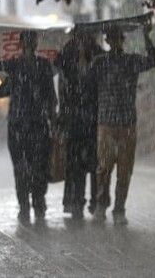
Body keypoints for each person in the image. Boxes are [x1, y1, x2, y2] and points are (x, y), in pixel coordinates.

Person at [88, 23, 155, 226]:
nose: (115, 42)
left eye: (118, 38)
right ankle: (101, 205)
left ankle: (119, 208)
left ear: (121, 40)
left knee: (124, 170)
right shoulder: (99, 62)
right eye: (112, 38)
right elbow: (86, 80)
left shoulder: (131, 61)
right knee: (104, 167)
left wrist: (147, 37)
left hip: (127, 122)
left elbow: (152, 60)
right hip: (106, 122)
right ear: (108, 41)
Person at [0, 30, 57, 223]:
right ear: (21, 43)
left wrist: (54, 120)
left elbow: (50, 96)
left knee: (39, 167)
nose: (29, 44)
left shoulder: (43, 65)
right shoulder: (14, 65)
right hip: (18, 125)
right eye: (26, 41)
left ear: (35, 44)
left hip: (38, 124)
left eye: (31, 41)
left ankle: (38, 202)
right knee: (21, 168)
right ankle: (24, 205)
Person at [55, 29, 104, 219]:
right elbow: (61, 78)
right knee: (75, 163)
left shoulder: (97, 53)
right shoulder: (67, 53)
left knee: (93, 163)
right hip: (74, 118)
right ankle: (76, 201)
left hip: (92, 117)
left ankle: (94, 201)